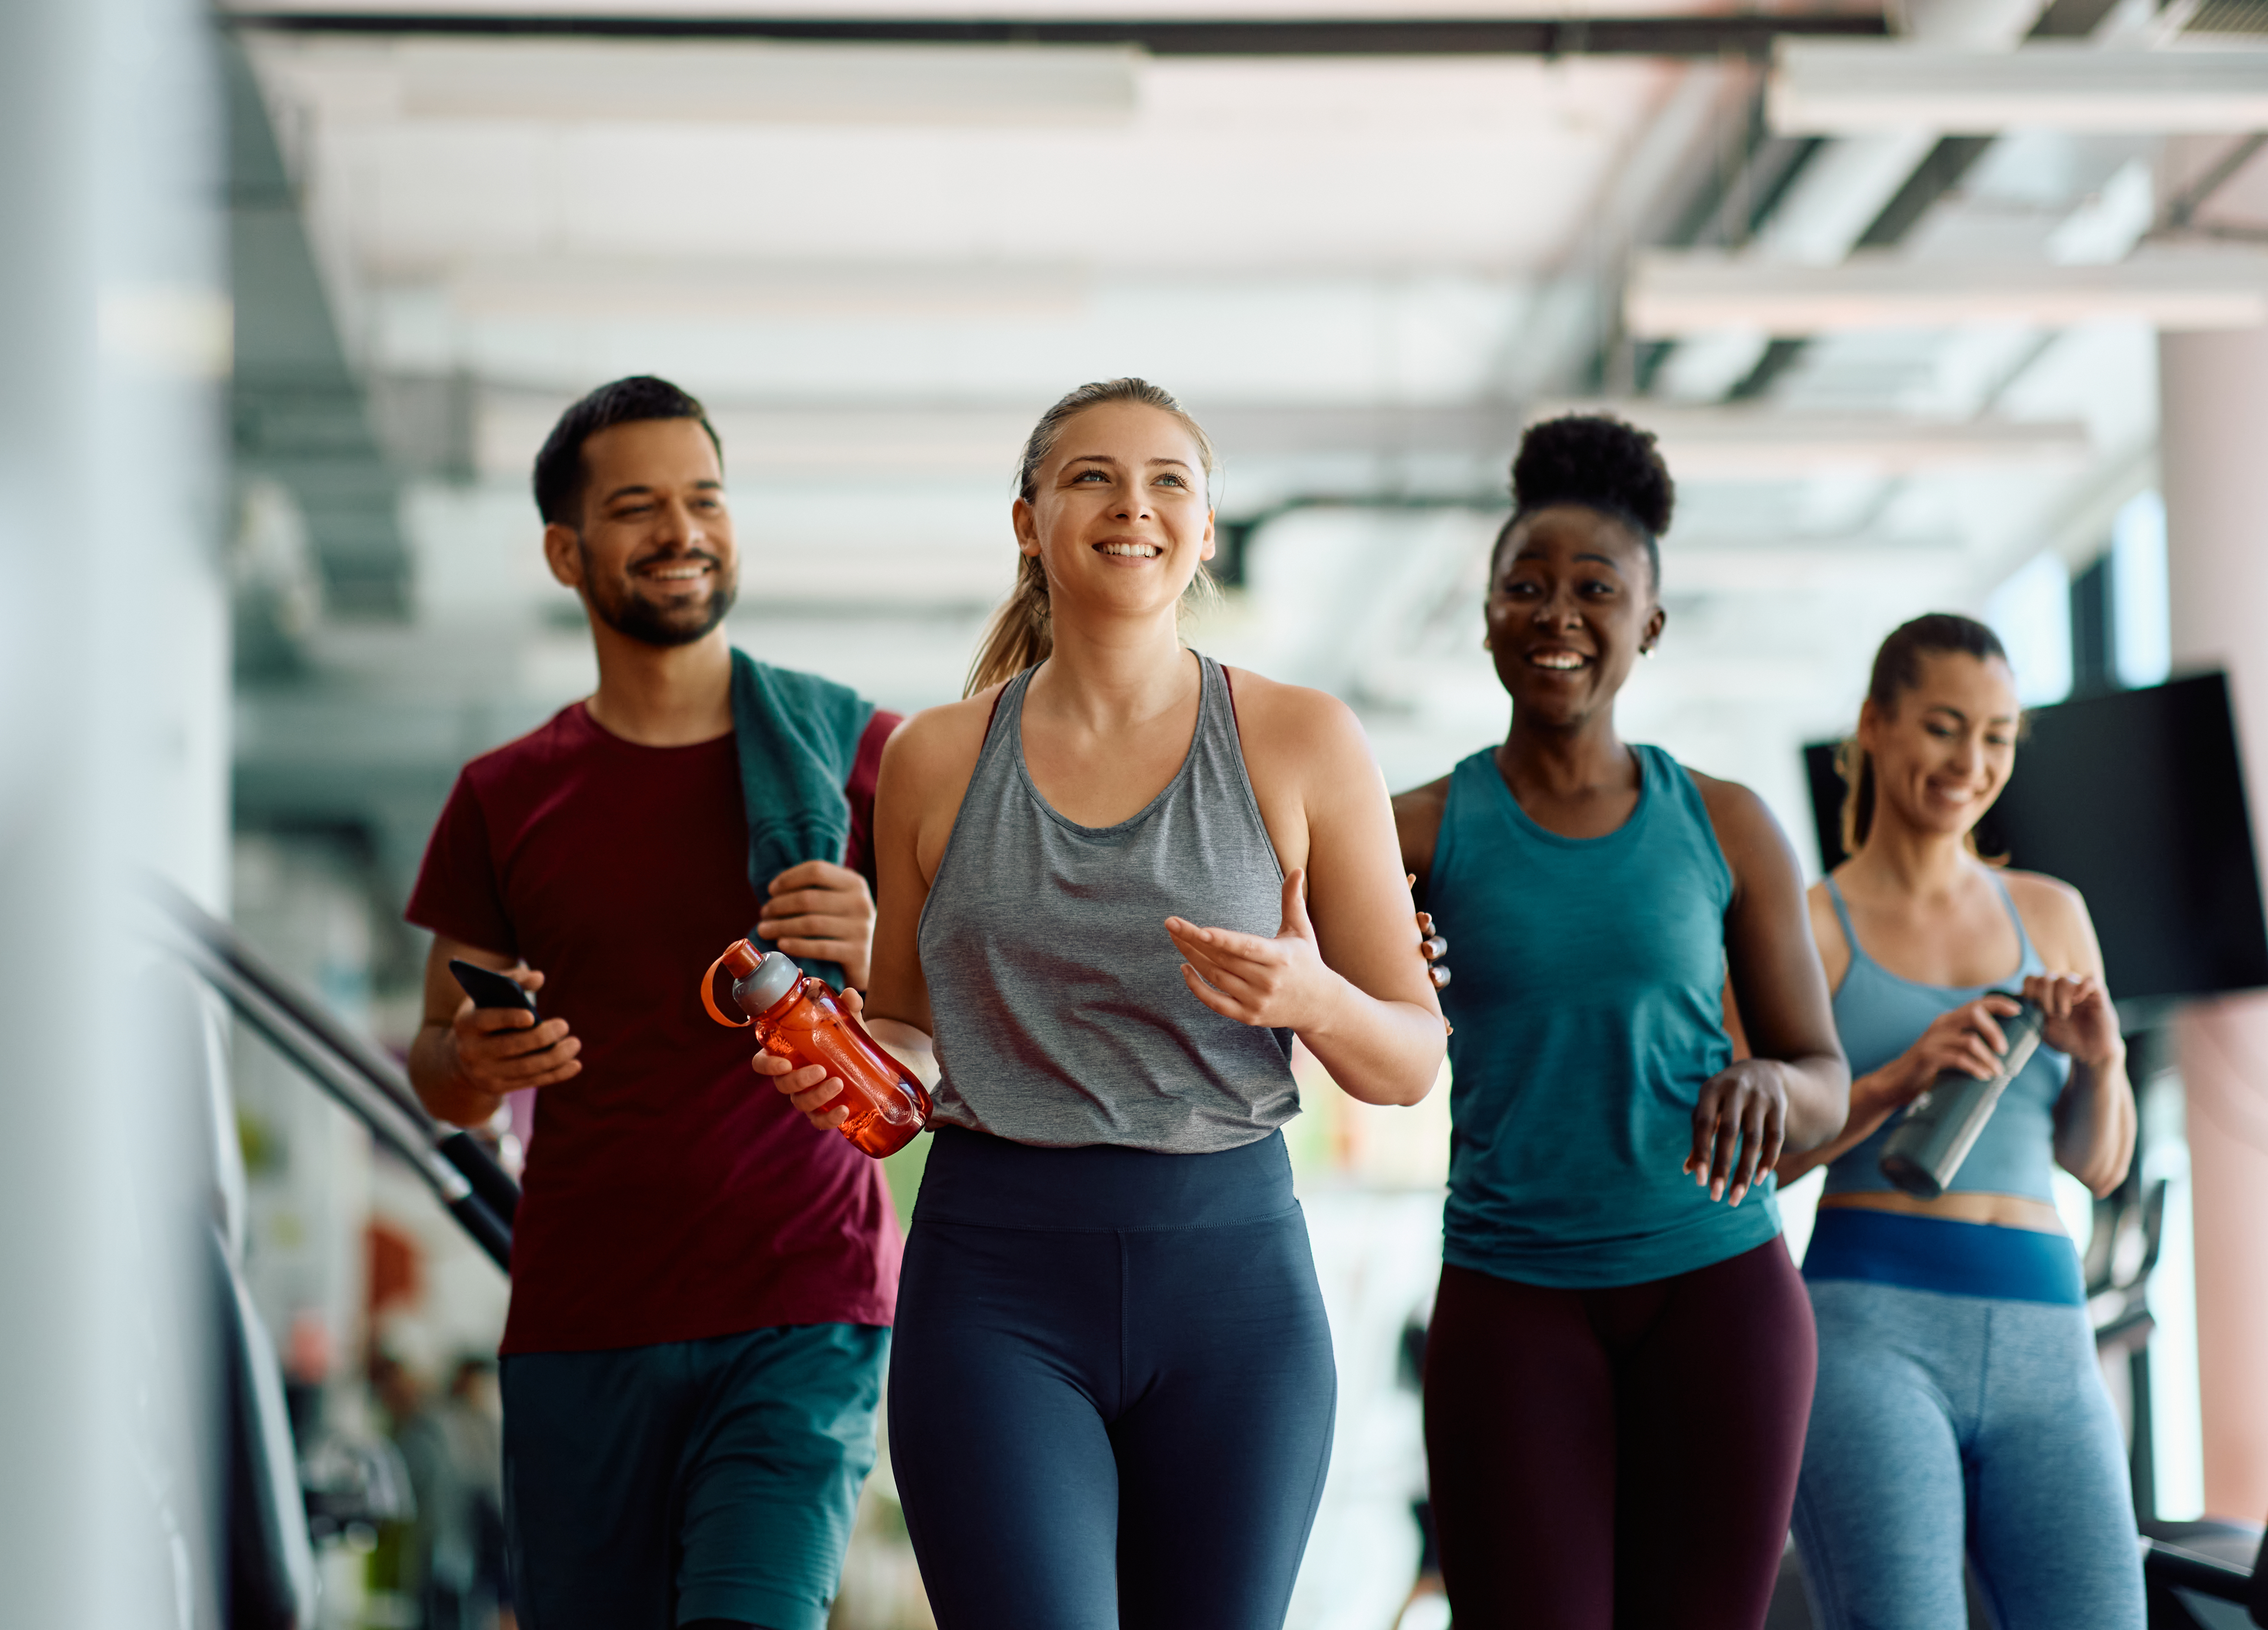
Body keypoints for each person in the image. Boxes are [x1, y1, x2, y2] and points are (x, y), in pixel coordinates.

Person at [756, 377, 1448, 1630]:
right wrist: (850, 1066)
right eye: (1092, 478)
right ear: (1027, 521)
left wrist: (1315, 996)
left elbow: (1407, 1062)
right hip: (996, 1283)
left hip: (1233, 1284)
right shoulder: (933, 758)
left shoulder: (1302, 740)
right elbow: (911, 1028)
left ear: (1208, 529)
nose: (1134, 506)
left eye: (1169, 481)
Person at [403, 376, 903, 1630]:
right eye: (638, 508)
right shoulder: (504, 798)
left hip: (803, 1304)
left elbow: (977, 1005)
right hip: (583, 1321)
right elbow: (436, 1071)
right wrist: (476, 1058)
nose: (682, 530)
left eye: (705, 498)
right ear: (566, 553)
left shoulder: (858, 753)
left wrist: (883, 944)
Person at [1394, 414, 1851, 1630]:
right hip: (1511, 1299)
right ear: (1486, 612)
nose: (1558, 614)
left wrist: (1773, 1090)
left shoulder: (1729, 823)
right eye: (1526, 585)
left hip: (1721, 1291)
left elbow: (1823, 1075)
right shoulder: (1421, 828)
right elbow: (1281, 938)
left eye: (1596, 588)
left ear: (1648, 621)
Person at [1779, 613, 2142, 1628]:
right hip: (1871, 1329)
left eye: (1995, 736)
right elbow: (1753, 1166)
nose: (1970, 761)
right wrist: (1900, 1077)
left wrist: (2103, 1062)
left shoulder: (2054, 912)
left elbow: (2099, 1165)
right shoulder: (1809, 927)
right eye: (1944, 726)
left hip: (2048, 1335)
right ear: (1876, 725)